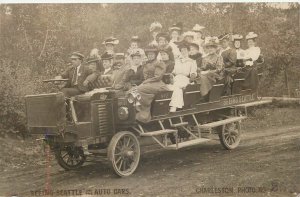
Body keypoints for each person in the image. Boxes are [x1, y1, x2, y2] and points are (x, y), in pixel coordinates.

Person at [135, 49, 169, 122]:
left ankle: (144, 115)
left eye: (152, 54)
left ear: (155, 55)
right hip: (149, 84)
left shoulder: (159, 63)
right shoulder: (146, 64)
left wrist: (145, 82)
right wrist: (145, 82)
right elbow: (145, 76)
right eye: (148, 54)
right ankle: (136, 111)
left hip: (158, 84)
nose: (150, 56)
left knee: (139, 89)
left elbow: (158, 77)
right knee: (133, 90)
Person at [169, 41, 197, 112]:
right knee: (171, 86)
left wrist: (191, 79)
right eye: (182, 50)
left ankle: (174, 106)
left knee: (177, 86)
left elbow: (193, 72)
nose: (183, 52)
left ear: (188, 51)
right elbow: (174, 72)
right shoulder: (177, 61)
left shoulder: (192, 61)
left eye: (185, 50)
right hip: (177, 78)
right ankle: (172, 105)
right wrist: (171, 75)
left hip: (185, 79)